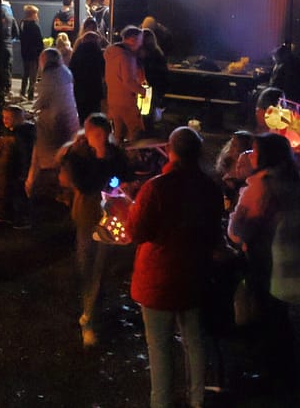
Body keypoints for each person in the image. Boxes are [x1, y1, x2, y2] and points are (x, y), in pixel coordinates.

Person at [130, 126, 224, 408]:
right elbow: (212, 233)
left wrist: (127, 208)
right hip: (194, 275)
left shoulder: (157, 187)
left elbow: (138, 232)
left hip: (158, 278)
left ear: (170, 150)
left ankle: (162, 401)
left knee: (159, 347)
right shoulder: (209, 188)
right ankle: (198, 399)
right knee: (194, 341)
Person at [228, 132, 300, 395]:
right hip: (293, 266)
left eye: (255, 152)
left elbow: (239, 231)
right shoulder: (293, 180)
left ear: (265, 156)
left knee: (272, 323)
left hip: (271, 266)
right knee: (286, 326)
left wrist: (241, 198)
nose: (250, 156)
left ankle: (276, 379)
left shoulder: (261, 186)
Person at [58, 113, 129, 347]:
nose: (99, 138)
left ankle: (89, 320)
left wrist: (123, 183)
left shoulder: (116, 154)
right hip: (87, 217)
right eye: (94, 134)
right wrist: (99, 158)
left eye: (103, 134)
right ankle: (87, 306)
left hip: (110, 219)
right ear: (86, 134)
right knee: (86, 266)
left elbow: (125, 175)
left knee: (99, 268)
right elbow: (86, 185)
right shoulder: (77, 156)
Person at [27, 48, 80, 201]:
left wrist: (31, 111)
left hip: (52, 126)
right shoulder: (65, 72)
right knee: (65, 157)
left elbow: (41, 101)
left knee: (46, 159)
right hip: (69, 122)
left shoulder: (48, 78)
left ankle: (45, 191)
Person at [0, 104, 35, 228]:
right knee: (8, 190)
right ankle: (7, 213)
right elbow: (3, 143)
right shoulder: (11, 131)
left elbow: (25, 153)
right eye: (4, 117)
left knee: (20, 194)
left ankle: (23, 218)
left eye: (8, 118)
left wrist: (25, 172)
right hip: (10, 167)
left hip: (19, 169)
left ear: (18, 119)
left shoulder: (23, 135)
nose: (5, 120)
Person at [104, 25, 146, 144]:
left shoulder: (112, 54)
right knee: (136, 133)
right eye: (140, 40)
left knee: (118, 134)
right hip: (127, 102)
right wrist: (142, 91)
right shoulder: (126, 57)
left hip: (113, 100)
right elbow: (128, 81)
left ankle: (117, 157)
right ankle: (133, 158)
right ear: (133, 39)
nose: (141, 44)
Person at [69, 26, 106, 122]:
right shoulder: (98, 53)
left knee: (82, 114)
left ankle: (84, 132)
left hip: (80, 90)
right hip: (95, 88)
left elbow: (71, 70)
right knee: (95, 115)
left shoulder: (77, 53)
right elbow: (103, 70)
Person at [139, 27, 169, 132]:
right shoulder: (157, 52)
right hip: (153, 86)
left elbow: (154, 71)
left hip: (149, 86)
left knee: (145, 111)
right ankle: (147, 129)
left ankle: (146, 130)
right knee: (147, 111)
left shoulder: (150, 54)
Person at [19, 5, 44, 100]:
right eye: (36, 13)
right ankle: (30, 94)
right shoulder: (35, 26)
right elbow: (39, 41)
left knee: (25, 73)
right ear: (32, 14)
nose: (37, 16)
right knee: (33, 75)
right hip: (34, 54)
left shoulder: (22, 24)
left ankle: (22, 91)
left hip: (25, 52)